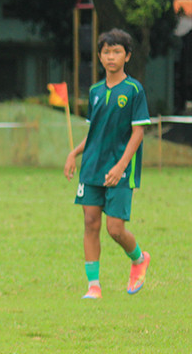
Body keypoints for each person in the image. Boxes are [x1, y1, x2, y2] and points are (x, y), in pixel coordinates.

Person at [64, 28, 151, 299]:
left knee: (115, 228)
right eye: (106, 52)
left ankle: (138, 259)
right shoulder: (94, 91)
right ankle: (94, 286)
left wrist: (121, 166)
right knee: (91, 223)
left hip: (120, 169)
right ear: (100, 57)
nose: (111, 56)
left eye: (116, 52)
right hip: (92, 167)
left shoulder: (134, 90)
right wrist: (74, 154)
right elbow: (94, 131)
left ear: (127, 56)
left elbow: (138, 132)